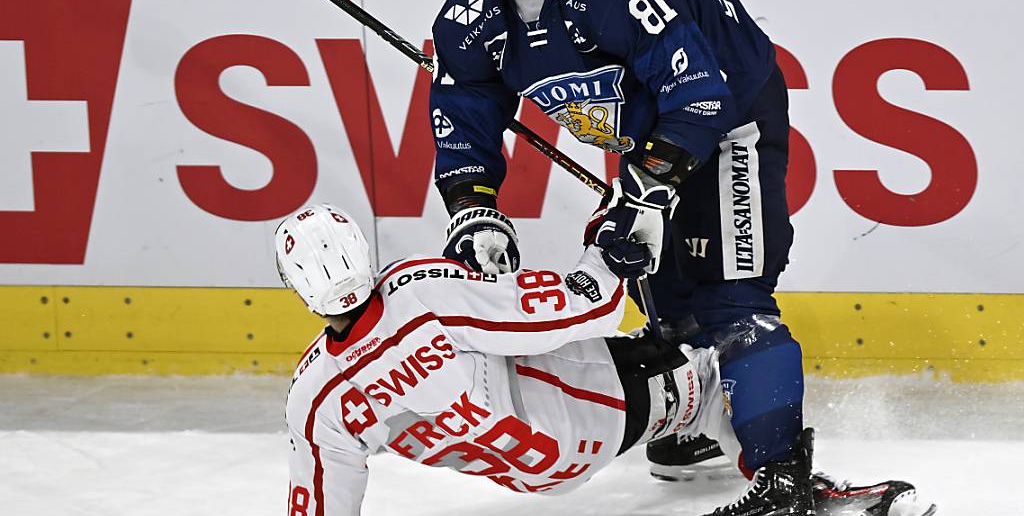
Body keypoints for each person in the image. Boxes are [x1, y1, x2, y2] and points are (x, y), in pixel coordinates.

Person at [428, 0, 936, 515]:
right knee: (668, 301)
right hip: (651, 137)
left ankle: (781, 475)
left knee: (731, 296)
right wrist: (474, 207)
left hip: (730, 117)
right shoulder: (469, 19)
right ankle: (699, 429)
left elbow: (699, 94)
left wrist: (646, 192)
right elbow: (465, 107)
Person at [278, 204, 935, 516]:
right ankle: (791, 492)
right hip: (589, 413)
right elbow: (575, 309)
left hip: (536, 473)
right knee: (721, 358)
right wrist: (609, 251)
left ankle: (684, 442)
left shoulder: (314, 396)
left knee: (618, 367)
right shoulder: (418, 293)